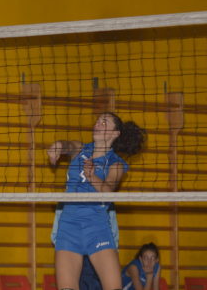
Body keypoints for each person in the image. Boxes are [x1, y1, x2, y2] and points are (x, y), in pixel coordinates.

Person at [47, 112, 146, 290]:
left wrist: (92, 176)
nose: (98, 124)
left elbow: (108, 192)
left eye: (104, 122)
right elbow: (68, 145)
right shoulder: (80, 149)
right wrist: (58, 146)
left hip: (97, 228)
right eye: (98, 121)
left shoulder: (116, 164)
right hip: (69, 227)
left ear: (115, 133)